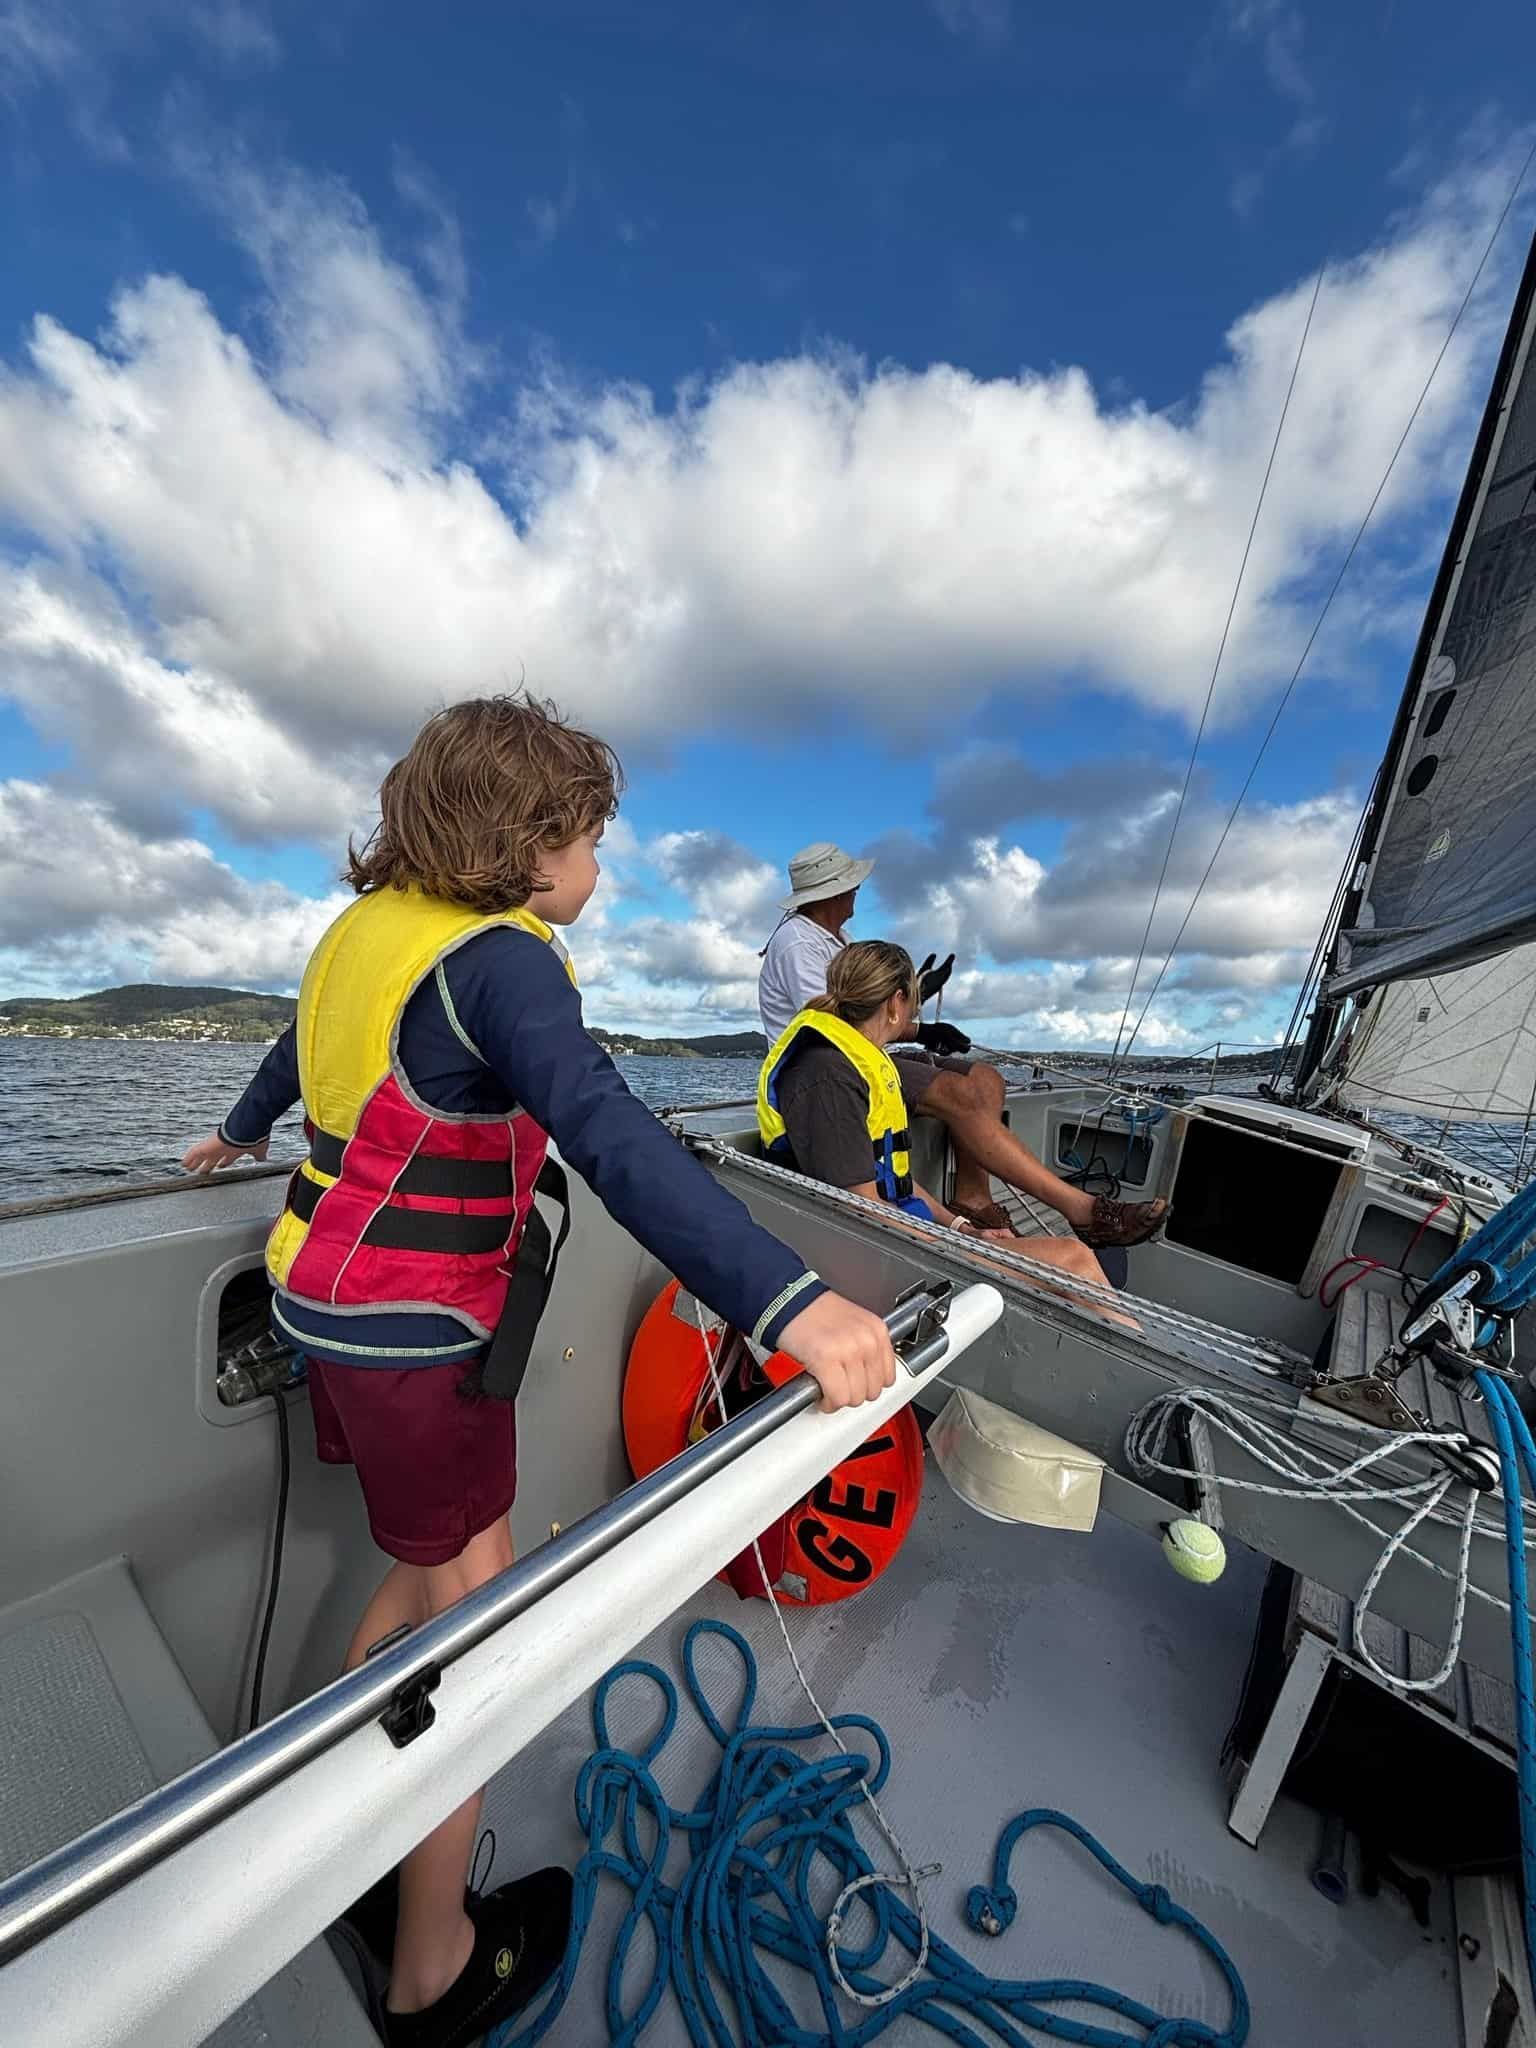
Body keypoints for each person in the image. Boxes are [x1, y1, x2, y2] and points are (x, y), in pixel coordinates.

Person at [181, 696, 899, 2048]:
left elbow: (296, 1045)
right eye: (589, 843)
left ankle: (353, 1850)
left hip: (318, 1298)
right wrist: (786, 1302)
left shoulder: (364, 931)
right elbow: (612, 1136)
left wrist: (235, 1132)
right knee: (479, 1633)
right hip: (415, 1342)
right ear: (527, 846)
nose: (599, 872)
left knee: (428, 1574)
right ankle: (430, 1967)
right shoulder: (502, 962)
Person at [757, 843, 1166, 1249]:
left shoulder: (834, 937)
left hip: (871, 1052)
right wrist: (922, 1029)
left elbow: (869, 1013)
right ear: (832, 893)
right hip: (843, 1060)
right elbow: (849, 1020)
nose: (856, 892)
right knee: (962, 1094)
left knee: (986, 1079)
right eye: (852, 885)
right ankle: (1081, 1210)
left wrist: (914, 997)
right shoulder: (798, 944)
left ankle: (973, 1198)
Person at [757, 940, 1116, 1296]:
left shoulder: (855, 1063)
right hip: (873, 1253)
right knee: (1073, 1260)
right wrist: (956, 1247)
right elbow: (863, 1210)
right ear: (896, 1003)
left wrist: (964, 1229)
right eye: (912, 1002)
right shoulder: (828, 1075)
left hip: (905, 1233)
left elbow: (893, 1179)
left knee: (1071, 1260)